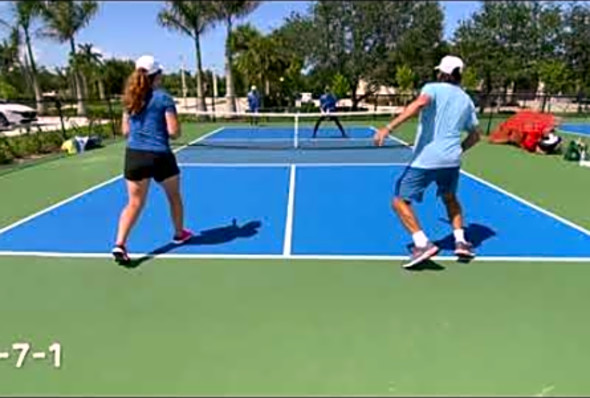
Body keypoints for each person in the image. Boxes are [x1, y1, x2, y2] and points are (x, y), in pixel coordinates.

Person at [374, 55, 482, 269]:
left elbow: (420, 103)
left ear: (443, 73)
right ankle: (461, 241)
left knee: (399, 201)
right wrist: (457, 150)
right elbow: (476, 135)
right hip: (451, 161)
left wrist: (388, 128)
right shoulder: (466, 100)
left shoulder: (431, 88)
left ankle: (422, 244)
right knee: (450, 198)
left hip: (426, 159)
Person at [112, 55, 193, 264]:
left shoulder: (129, 99)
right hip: (160, 156)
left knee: (134, 203)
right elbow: (174, 132)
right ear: (156, 75)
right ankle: (178, 234)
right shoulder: (163, 98)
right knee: (174, 196)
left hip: (134, 155)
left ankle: (119, 244)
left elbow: (124, 131)